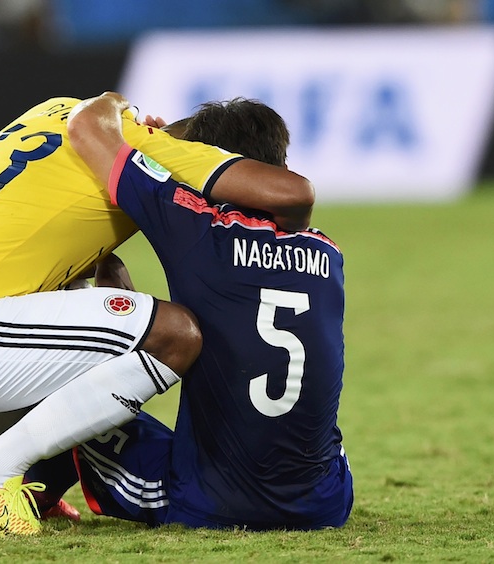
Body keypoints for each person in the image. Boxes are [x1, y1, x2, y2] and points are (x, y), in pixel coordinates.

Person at [0, 96, 314, 536]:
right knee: (174, 335)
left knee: (77, 311)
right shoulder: (162, 151)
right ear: (220, 156)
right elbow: (292, 193)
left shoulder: (56, 109)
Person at [61, 92, 352, 531]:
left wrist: (129, 117)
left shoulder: (197, 229)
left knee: (58, 353)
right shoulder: (327, 253)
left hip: (210, 503)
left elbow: (89, 130)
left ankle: (29, 489)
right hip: (325, 504)